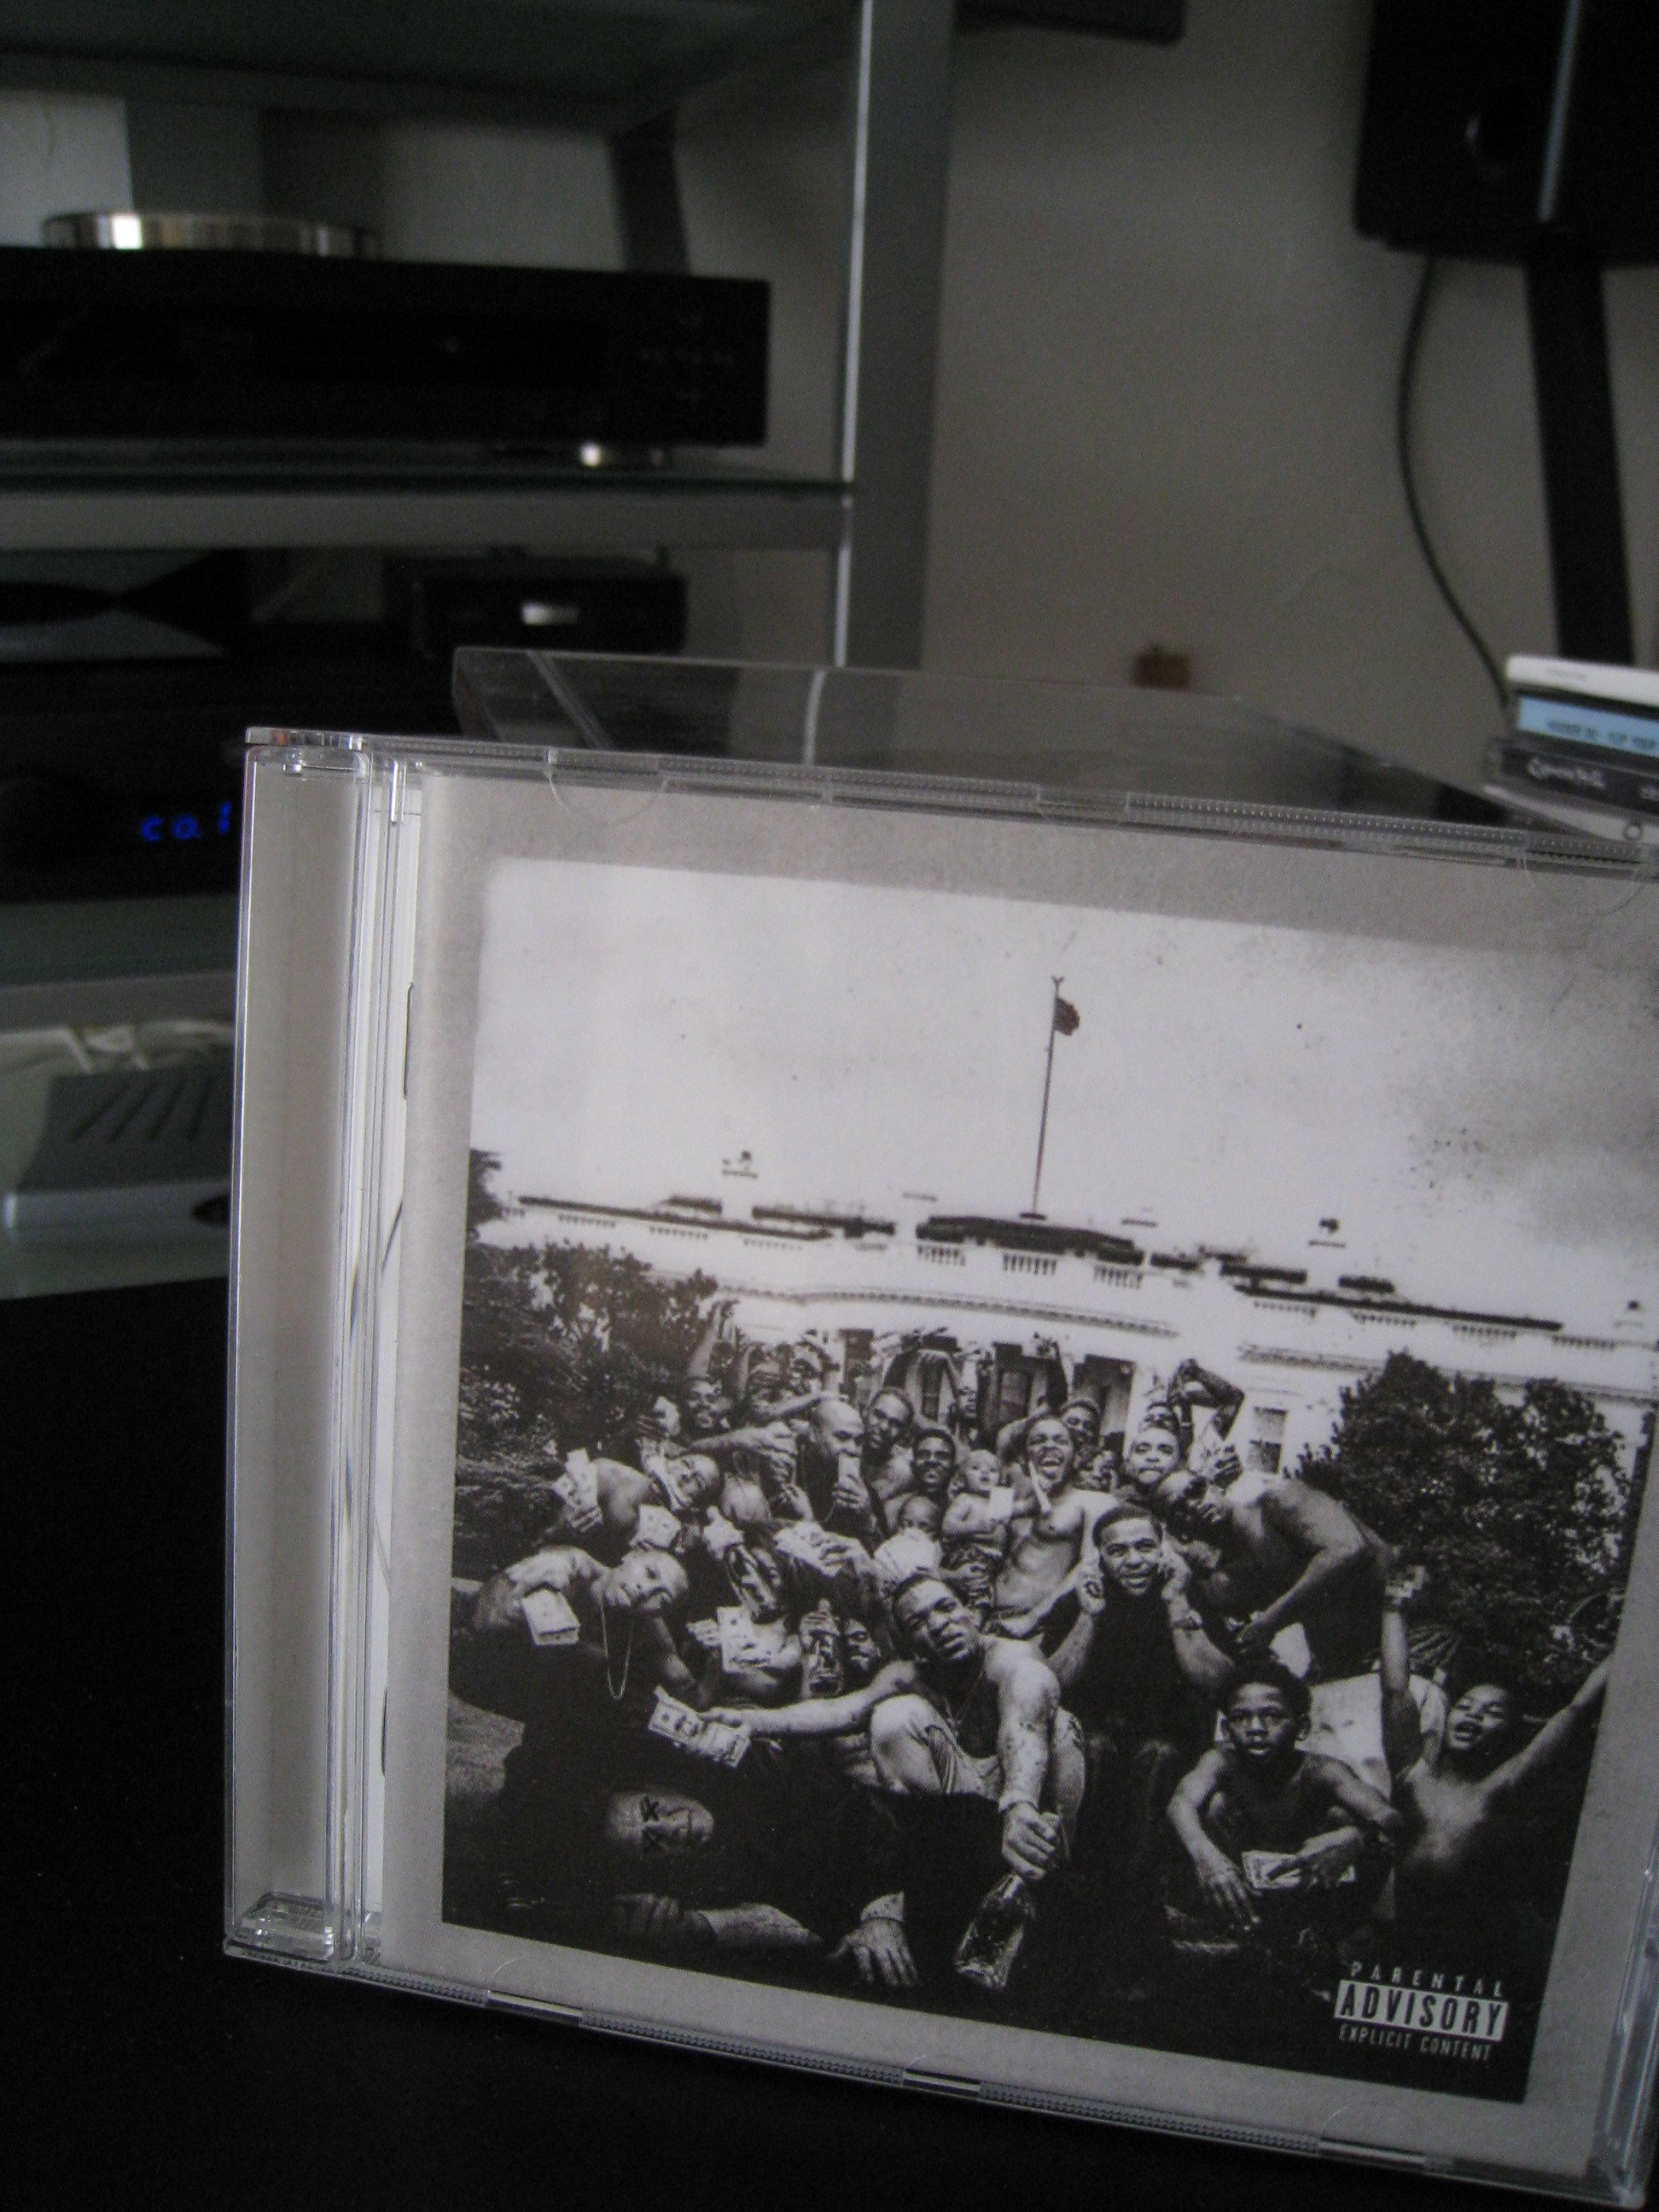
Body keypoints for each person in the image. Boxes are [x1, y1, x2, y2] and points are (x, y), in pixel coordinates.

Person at [711, 1573, 1085, 1891]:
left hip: (1028, 1795)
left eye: (946, 1608)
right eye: (918, 1622)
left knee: (1053, 1710)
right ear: (913, 1647)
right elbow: (840, 1711)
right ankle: (948, 1868)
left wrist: (1019, 1805)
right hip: (969, 1806)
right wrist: (750, 1721)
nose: (938, 1625)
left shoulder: (1012, 1658)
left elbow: (1026, 1728)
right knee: (891, 1717)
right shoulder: (909, 1675)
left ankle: (1044, 1867)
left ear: (972, 1613)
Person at [1379, 1567, 1610, 1965]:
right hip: (1402, 1940)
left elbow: (1576, 1710)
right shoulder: (1414, 1775)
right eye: (1466, 1706)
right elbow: (1396, 1688)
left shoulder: (1501, 1788)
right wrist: (1392, 1607)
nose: (1472, 1715)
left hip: (1472, 1948)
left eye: (1492, 1713)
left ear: (1510, 1734)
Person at [1165, 1660, 1400, 1970]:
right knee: (1213, 1805)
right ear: (1226, 1730)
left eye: (1273, 1716)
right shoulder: (1221, 1761)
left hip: (1308, 1892)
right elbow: (1180, 1803)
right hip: (1246, 1889)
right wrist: (1208, 1858)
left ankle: (1321, 1940)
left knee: (1344, 1818)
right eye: (1240, 1718)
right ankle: (1238, 1934)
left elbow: (1390, 1817)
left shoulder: (1321, 1770)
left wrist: (1356, 1837)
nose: (1256, 1729)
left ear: (1301, 1727)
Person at [1047, 1504, 1232, 1869]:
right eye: (1118, 1551)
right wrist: (1090, 1615)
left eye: (1145, 1547)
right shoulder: (1077, 1602)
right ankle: (1083, 1875)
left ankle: (1141, 1881)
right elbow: (1054, 1684)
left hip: (1169, 1741)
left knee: (1159, 1756)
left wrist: (1175, 1602)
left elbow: (1218, 1683)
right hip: (1101, 1741)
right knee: (1094, 1750)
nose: (1134, 1561)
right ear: (1099, 1559)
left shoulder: (1188, 1596)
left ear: (1163, 1551)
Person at [1155, 1464, 1388, 1676]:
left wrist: (1271, 1620)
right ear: (1178, 1530)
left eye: (1195, 1490)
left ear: (1213, 1486)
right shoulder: (1230, 1574)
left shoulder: (1280, 1500)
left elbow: (1347, 1549)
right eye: (1179, 1508)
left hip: (1400, 1622)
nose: (1193, 1505)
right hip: (1352, 1659)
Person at [991, 1414, 1115, 1637]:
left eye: (1060, 1440)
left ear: (1076, 1458)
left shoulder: (1093, 1502)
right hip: (987, 1612)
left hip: (1034, 1625)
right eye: (1038, 1441)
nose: (1049, 1446)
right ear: (1025, 1458)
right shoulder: (1012, 1497)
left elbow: (1088, 1566)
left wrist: (1031, 1620)